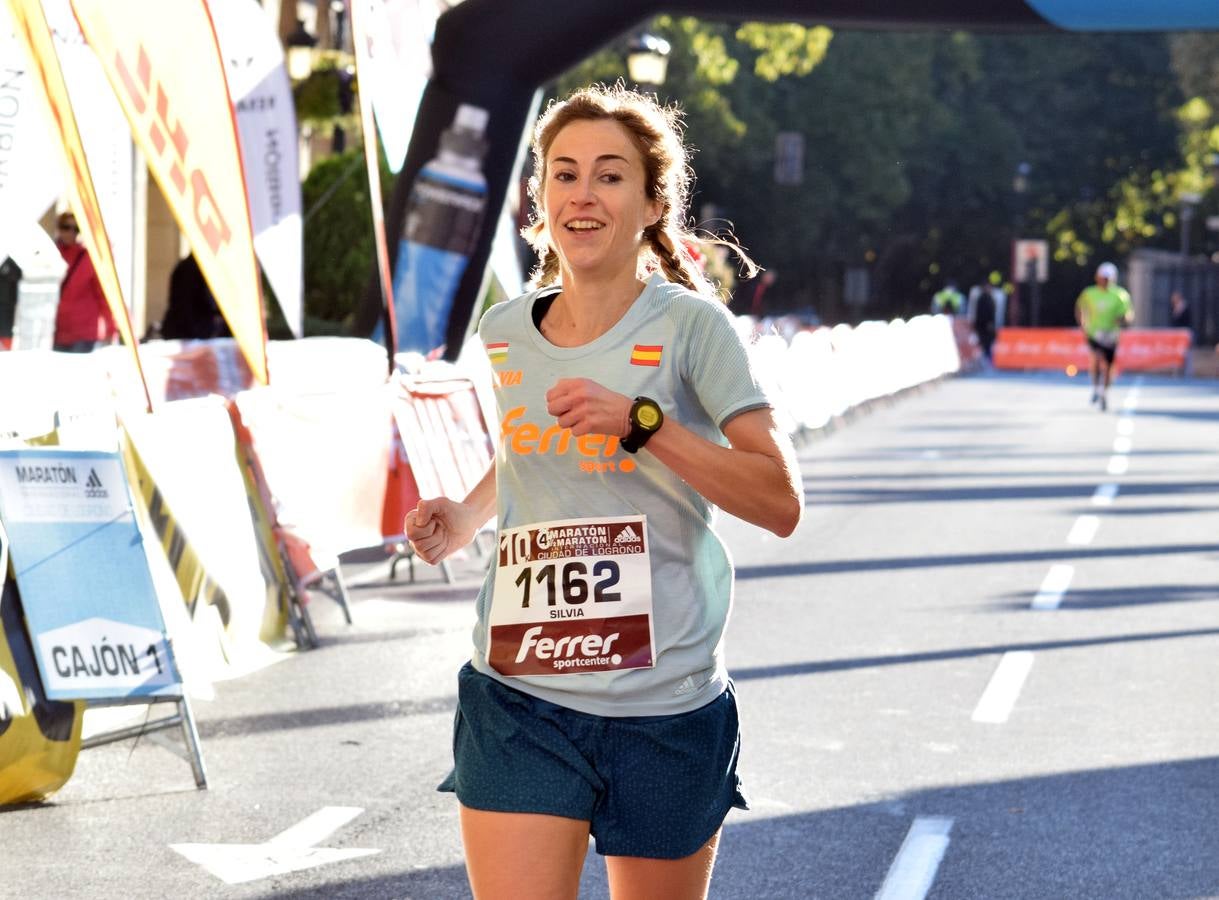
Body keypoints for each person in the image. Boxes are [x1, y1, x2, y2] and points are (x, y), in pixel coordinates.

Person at [405, 84, 803, 900]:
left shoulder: (694, 328)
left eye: (610, 175)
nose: (582, 194)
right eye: (563, 173)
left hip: (663, 705)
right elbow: (529, 452)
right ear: (540, 196)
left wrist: (645, 423)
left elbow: (778, 501)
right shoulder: (506, 331)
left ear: (654, 201)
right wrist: (464, 515)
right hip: (520, 694)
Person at [51, 211, 116, 352]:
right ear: (58, 228)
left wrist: (112, 329)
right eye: (66, 227)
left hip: (84, 334)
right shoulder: (50, 254)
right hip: (56, 332)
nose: (71, 232)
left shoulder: (89, 257)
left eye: (76, 229)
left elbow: (103, 295)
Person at [1075, 261, 1132, 411]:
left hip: (1111, 334)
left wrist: (1124, 319)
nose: (1105, 281)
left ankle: (1104, 392)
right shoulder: (1089, 293)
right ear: (1098, 277)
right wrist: (1082, 323)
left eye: (1108, 278)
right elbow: (1080, 307)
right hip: (1094, 332)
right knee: (1095, 357)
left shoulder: (1120, 295)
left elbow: (1128, 314)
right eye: (1102, 278)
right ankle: (1095, 387)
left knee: (1109, 364)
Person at [161, 253, 229, 340]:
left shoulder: (206, 265)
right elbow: (185, 308)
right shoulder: (191, 267)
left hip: (196, 332)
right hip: (189, 335)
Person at [968, 281, 1000, 363]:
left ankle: (987, 359)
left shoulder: (990, 298)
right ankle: (984, 359)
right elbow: (981, 313)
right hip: (983, 325)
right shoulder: (982, 298)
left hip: (986, 325)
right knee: (983, 342)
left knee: (988, 343)